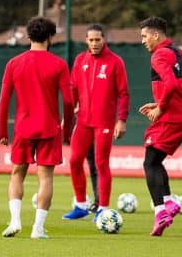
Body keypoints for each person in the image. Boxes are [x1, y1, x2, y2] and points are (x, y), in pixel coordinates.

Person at [0, 16, 73, 239]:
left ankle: (15, 221)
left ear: (28, 36)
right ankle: (37, 229)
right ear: (50, 37)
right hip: (49, 128)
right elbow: (69, 101)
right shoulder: (59, 64)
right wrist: (67, 130)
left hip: (23, 128)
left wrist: (2, 131)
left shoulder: (14, 63)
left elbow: (3, 100)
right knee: (46, 178)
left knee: (17, 173)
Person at [62, 24, 129, 222]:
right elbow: (73, 89)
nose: (94, 43)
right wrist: (68, 112)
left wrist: (122, 120)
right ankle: (81, 205)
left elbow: (123, 94)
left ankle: (103, 209)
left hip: (104, 123)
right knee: (74, 160)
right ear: (86, 41)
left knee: (101, 163)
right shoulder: (80, 60)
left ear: (104, 39)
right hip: (82, 121)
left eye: (97, 39)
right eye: (90, 40)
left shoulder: (115, 62)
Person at [138, 16, 182, 236]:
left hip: (171, 117)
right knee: (155, 160)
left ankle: (161, 210)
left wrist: (160, 108)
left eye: (144, 36)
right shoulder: (178, 52)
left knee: (149, 163)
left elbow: (170, 83)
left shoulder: (159, 55)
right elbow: (176, 85)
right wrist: (159, 100)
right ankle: (168, 203)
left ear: (155, 35)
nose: (143, 41)